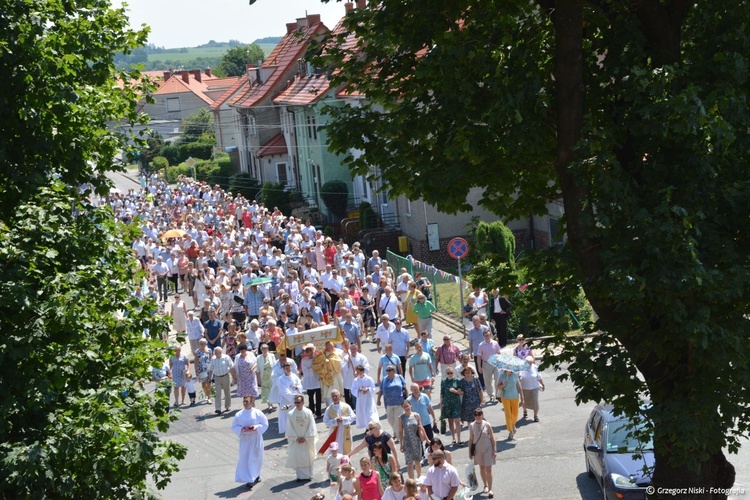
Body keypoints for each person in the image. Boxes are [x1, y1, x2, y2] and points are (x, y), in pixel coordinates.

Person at [231, 395, 269, 489]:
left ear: (252, 402)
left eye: (247, 401)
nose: (245, 403)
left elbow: (265, 423)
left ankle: (256, 474)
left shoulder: (258, 413)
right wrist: (242, 429)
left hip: (255, 438)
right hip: (245, 440)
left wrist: (256, 427)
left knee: (256, 458)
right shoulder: (239, 414)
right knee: (247, 459)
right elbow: (234, 426)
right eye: (244, 401)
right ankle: (250, 479)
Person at [285, 395, 318, 482]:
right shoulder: (290, 414)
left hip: (307, 439)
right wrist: (296, 438)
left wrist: (306, 437)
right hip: (297, 440)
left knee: (307, 456)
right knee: (298, 457)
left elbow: (312, 426)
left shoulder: (308, 412)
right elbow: (289, 427)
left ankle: (308, 475)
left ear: (303, 402)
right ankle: (299, 476)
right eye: (295, 402)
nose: (297, 404)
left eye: (298, 402)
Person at [468, 408, 497, 498]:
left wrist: (494, 450)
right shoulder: (472, 425)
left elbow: (492, 438)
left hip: (488, 448)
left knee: (489, 469)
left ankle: (491, 489)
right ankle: (485, 485)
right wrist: (470, 452)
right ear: (474, 416)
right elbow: (471, 439)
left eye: (479, 414)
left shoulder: (487, 424)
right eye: (476, 415)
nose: (478, 416)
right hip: (478, 449)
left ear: (482, 415)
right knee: (482, 468)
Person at [399, 400, 427, 479]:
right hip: (407, 442)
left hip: (416, 441)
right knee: (409, 464)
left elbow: (420, 427)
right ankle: (412, 481)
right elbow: (400, 431)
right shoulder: (401, 418)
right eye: (404, 407)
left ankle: (419, 477)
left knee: (417, 462)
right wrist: (401, 444)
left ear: (410, 405)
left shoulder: (416, 415)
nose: (406, 408)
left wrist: (425, 438)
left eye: (407, 406)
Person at [323, 390, 356, 455]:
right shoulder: (329, 409)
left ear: (340, 396)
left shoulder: (346, 406)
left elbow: (353, 417)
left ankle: (346, 462)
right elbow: (326, 421)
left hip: (345, 431)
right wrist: (335, 420)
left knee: (345, 448)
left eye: (336, 396)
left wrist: (343, 419)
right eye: (333, 396)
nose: (334, 398)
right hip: (334, 432)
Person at [378, 364, 408, 436]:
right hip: (388, 403)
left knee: (398, 419)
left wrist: (407, 399)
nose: (388, 371)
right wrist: (378, 399)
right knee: (390, 419)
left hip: (399, 402)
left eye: (390, 370)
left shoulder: (399, 377)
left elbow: (405, 388)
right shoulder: (384, 379)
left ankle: (399, 436)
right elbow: (381, 390)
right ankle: (395, 430)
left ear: (394, 371)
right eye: (387, 370)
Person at [457, 366, 485, 443]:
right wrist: (458, 391)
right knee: (470, 421)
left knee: (478, 418)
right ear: (464, 374)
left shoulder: (475, 380)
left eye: (469, 372)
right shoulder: (462, 381)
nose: (468, 374)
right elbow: (460, 391)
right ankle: (472, 436)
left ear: (471, 372)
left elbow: (480, 390)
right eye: (466, 373)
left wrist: (483, 399)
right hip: (467, 404)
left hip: (476, 402)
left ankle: (479, 435)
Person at [496, 368, 525, 440]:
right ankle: (510, 432)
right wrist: (503, 385)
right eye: (507, 368)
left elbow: (519, 387)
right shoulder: (502, 376)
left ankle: (513, 424)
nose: (508, 369)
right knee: (508, 414)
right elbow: (497, 387)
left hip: (515, 397)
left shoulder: (515, 375)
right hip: (505, 397)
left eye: (510, 368)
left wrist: (522, 398)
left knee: (515, 413)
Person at [313, 340, 344, 405]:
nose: (331, 348)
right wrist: (323, 361)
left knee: (336, 392)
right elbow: (316, 364)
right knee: (328, 395)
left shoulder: (336, 353)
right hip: (325, 377)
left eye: (332, 346)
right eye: (329, 347)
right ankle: (329, 407)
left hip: (335, 376)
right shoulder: (322, 354)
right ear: (326, 347)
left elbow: (339, 362)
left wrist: (329, 361)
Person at [276, 362, 303, 434]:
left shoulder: (294, 376)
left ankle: (297, 431)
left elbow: (299, 384)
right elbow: (284, 391)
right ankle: (288, 433)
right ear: (284, 369)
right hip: (286, 400)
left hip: (296, 400)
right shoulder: (281, 379)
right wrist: (293, 396)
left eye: (289, 368)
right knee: (286, 417)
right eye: (287, 368)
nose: (289, 369)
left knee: (296, 416)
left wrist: (297, 388)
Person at [209, 346, 235, 414]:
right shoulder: (213, 359)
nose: (215, 354)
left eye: (216, 352)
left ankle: (227, 406)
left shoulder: (226, 357)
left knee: (227, 392)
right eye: (215, 352)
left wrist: (233, 377)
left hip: (225, 376)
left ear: (220, 352)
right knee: (217, 393)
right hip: (217, 377)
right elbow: (211, 369)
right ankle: (218, 408)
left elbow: (231, 366)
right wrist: (210, 377)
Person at [477, 330, 501, 402]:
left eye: (488, 335)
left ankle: (498, 395)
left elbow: (499, 353)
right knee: (488, 381)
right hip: (486, 363)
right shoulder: (481, 345)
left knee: (498, 379)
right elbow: (479, 357)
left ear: (490, 335)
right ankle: (491, 395)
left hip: (495, 363)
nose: (487, 337)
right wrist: (479, 366)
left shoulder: (495, 343)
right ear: (483, 336)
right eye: (485, 335)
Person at [440, 367, 462, 445]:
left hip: (456, 403)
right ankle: (453, 438)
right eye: (448, 373)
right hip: (447, 403)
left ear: (453, 373)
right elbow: (442, 393)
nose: (449, 374)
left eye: (451, 373)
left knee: (457, 421)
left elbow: (462, 392)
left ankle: (459, 439)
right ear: (446, 373)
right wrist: (441, 405)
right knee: (450, 421)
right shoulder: (443, 381)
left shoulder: (457, 381)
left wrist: (455, 391)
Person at [520, 355, 545, 422]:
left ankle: (535, 416)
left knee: (535, 402)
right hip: (524, 388)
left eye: (531, 363)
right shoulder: (521, 368)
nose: (530, 364)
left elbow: (539, 377)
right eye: (528, 363)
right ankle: (525, 411)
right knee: (524, 401)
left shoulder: (535, 367)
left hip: (534, 387)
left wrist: (542, 384)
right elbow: (519, 377)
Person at [300, 344, 322, 418]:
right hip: (309, 381)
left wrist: (314, 367)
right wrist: (313, 368)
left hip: (317, 379)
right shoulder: (304, 360)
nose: (310, 355)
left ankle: (318, 412)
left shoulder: (317, 358)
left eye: (311, 352)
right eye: (308, 353)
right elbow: (305, 371)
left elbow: (320, 366)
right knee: (310, 397)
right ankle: (312, 412)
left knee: (318, 397)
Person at [467, 316, 488, 390]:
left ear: (479, 321)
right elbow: (470, 342)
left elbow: (489, 338)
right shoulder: (471, 331)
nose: (474, 323)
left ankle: (487, 382)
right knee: (479, 369)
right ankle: (483, 384)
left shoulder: (485, 328)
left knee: (486, 368)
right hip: (476, 353)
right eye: (473, 321)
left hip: (485, 353)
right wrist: (471, 352)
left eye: (476, 321)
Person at [257, 343, 276, 411]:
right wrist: (258, 379)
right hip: (264, 376)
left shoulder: (272, 355)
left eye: (266, 349)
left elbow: (274, 366)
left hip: (271, 375)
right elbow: (258, 369)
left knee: (272, 389)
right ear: (261, 350)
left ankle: (273, 401)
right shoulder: (259, 357)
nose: (264, 350)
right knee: (266, 391)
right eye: (263, 349)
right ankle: (269, 404)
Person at [194, 338, 213, 403]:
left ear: (206, 344)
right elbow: (195, 362)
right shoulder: (197, 351)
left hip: (208, 369)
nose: (202, 345)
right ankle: (206, 394)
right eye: (201, 344)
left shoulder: (209, 350)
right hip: (201, 369)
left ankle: (209, 397)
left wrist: (212, 368)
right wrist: (196, 371)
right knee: (203, 383)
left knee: (209, 382)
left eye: (204, 343)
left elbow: (211, 359)